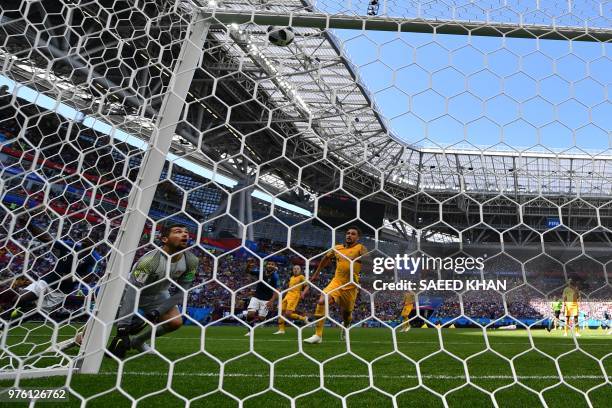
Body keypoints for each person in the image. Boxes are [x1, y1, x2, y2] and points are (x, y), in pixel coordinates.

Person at [107, 223, 199, 358]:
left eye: (186, 232)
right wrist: (123, 329)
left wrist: (156, 313)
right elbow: (133, 290)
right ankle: (70, 343)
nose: (185, 234)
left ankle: (137, 341)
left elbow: (181, 292)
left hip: (157, 294)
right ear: (164, 239)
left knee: (175, 322)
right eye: (178, 232)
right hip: (126, 292)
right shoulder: (150, 261)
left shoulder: (191, 261)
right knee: (93, 331)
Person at [0, 217, 101, 326]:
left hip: (59, 292)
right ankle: (18, 312)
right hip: (48, 281)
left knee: (34, 313)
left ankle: (5, 326)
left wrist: (71, 278)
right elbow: (47, 238)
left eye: (91, 237)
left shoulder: (95, 258)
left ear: (95, 242)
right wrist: (30, 224)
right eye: (86, 235)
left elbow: (90, 277)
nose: (86, 238)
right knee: (18, 299)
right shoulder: (71, 246)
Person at [304, 226, 368, 344]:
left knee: (347, 314)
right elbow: (325, 259)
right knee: (322, 301)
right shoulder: (337, 248)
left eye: (353, 234)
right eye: (348, 233)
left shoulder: (360, 248)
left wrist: (362, 259)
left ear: (358, 238)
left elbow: (370, 260)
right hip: (337, 282)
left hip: (351, 286)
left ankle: (346, 327)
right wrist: (316, 273)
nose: (349, 235)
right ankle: (318, 335)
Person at [243, 260, 280, 335]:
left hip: (267, 300)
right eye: (269, 264)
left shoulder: (275, 276)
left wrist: (271, 301)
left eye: (272, 264)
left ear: (274, 266)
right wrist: (248, 265)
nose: (270, 265)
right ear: (266, 265)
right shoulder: (261, 272)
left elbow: (277, 290)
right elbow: (248, 271)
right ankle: (250, 331)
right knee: (250, 314)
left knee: (261, 318)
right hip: (256, 297)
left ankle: (258, 319)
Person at [274, 264, 309, 335]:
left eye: (297, 268)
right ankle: (281, 330)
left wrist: (303, 293)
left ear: (300, 270)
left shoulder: (301, 277)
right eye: (294, 269)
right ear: (292, 270)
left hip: (294, 296)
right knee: (280, 312)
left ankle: (303, 318)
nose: (296, 270)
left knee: (288, 313)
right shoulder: (291, 277)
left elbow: (307, 286)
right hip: (287, 296)